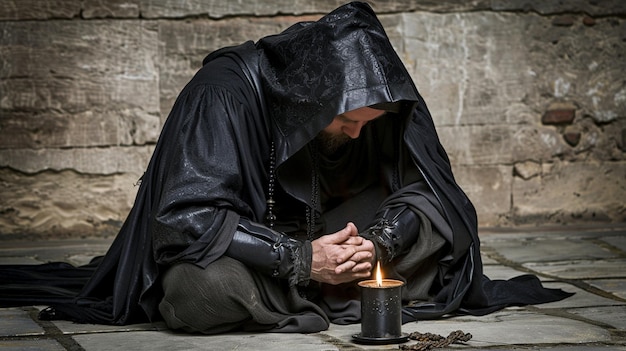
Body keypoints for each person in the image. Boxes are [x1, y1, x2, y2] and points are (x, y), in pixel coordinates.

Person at [0, 1, 572, 333]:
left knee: (439, 238)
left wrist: (376, 246)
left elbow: (427, 192)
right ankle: (334, 292)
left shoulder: (372, 116)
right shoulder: (222, 94)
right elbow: (186, 220)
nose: (357, 133)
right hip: (255, 254)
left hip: (336, 241)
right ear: (314, 100)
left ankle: (345, 283)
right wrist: (300, 260)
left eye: (367, 124)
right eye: (348, 121)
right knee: (201, 287)